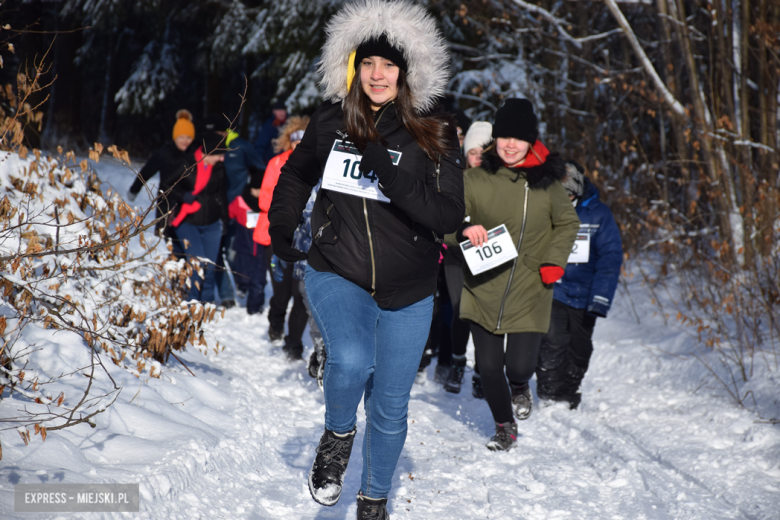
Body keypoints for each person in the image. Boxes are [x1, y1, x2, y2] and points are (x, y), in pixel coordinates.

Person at [268, 1, 464, 517]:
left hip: (411, 291)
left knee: (391, 406)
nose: (377, 75)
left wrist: (387, 169)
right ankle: (336, 436)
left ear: (406, 72)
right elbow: (294, 176)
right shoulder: (332, 122)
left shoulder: (434, 131)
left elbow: (446, 213)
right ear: (354, 67)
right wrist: (282, 223)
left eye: (389, 66)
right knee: (351, 359)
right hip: (339, 271)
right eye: (368, 64)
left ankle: (373, 498)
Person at [447, 98, 580, 451]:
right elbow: (447, 219)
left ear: (531, 141)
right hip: (483, 287)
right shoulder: (474, 179)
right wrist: (463, 230)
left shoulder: (547, 184)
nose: (509, 144)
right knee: (489, 367)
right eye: (503, 136)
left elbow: (567, 223)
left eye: (518, 138)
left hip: (530, 288)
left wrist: (554, 262)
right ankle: (504, 426)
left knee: (518, 367)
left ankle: (520, 385)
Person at [535, 160, 623, 409]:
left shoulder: (599, 214)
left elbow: (610, 257)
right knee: (552, 339)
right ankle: (549, 393)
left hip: (586, 293)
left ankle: (569, 389)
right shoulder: (542, 210)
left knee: (579, 346)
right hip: (553, 290)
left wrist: (601, 297)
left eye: (569, 196)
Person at [440, 121, 492, 395]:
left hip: (487, 255)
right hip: (456, 256)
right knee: (461, 309)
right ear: (465, 153)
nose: (479, 157)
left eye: (484, 151)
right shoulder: (455, 177)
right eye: (474, 151)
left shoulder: (498, 182)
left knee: (485, 311)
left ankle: (484, 369)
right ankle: (458, 361)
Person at [256, 119, 310, 360]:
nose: (299, 145)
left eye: (304, 141)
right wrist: (291, 207)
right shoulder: (276, 163)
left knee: (300, 294)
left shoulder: (317, 164)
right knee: (282, 293)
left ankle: (293, 344)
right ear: (290, 141)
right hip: (277, 235)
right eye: (296, 141)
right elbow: (264, 200)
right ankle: (275, 323)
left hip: (306, 237)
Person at [204, 115, 265, 309]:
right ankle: (227, 294)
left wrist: (249, 195)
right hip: (215, 210)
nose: (216, 136)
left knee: (233, 253)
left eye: (218, 133)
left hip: (238, 210)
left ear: (225, 132)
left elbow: (260, 169)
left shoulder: (241, 146)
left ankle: (243, 283)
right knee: (215, 253)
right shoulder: (209, 147)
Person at [127, 109, 196, 256]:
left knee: (186, 246)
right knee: (169, 245)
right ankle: (173, 274)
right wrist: (134, 190)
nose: (185, 141)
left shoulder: (195, 155)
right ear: (175, 136)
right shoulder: (163, 154)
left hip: (187, 207)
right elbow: (146, 172)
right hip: (166, 205)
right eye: (181, 137)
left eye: (189, 137)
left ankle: (183, 273)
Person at [169, 132, 229, 303]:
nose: (222, 159)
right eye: (219, 155)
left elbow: (222, 195)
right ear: (208, 152)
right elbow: (168, 186)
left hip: (212, 223)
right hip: (188, 222)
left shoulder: (219, 168)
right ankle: (191, 303)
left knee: (210, 267)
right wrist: (183, 196)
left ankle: (206, 305)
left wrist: (225, 219)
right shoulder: (186, 163)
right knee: (196, 264)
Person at [227, 168, 267, 315]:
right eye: (256, 189)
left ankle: (255, 309)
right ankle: (241, 287)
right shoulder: (240, 201)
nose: (258, 192)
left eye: (262, 189)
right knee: (243, 275)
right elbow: (229, 214)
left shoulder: (267, 204)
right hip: (243, 246)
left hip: (261, 249)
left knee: (259, 281)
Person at [254, 100, 288, 165]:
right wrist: (260, 164)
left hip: (288, 162)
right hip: (272, 163)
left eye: (283, 110)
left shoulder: (291, 124)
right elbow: (260, 145)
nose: (281, 113)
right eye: (278, 111)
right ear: (273, 112)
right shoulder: (269, 125)